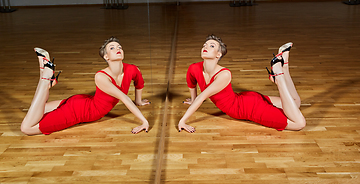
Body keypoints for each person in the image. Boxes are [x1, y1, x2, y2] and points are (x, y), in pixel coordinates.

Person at [21, 36, 150, 135]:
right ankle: (45, 78)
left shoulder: (133, 69)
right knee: (26, 128)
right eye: (112, 48)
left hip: (81, 102)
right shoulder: (101, 77)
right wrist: (144, 121)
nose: (118, 49)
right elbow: (124, 98)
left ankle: (46, 78)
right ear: (106, 56)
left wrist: (138, 101)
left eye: (120, 47)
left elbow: (139, 83)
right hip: (79, 112)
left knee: (36, 109)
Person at [178, 35, 306, 133]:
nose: (205, 47)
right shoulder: (193, 68)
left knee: (299, 124)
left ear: (219, 54)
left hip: (248, 109)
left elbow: (202, 97)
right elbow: (192, 83)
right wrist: (192, 99)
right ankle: (284, 66)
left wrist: (183, 121)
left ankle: (278, 76)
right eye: (204, 45)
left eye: (211, 46)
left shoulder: (224, 74)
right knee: (295, 102)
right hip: (247, 99)